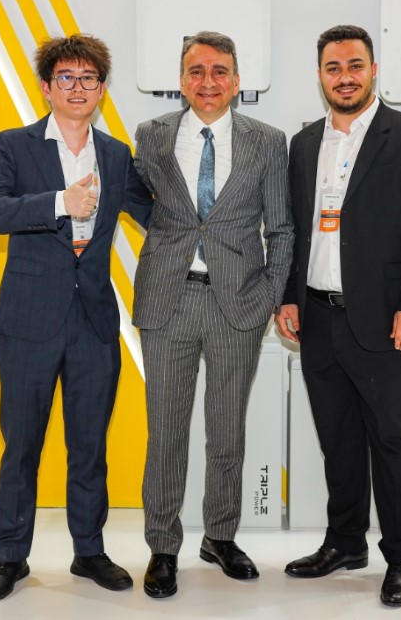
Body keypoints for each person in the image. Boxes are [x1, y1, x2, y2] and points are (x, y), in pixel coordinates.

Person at [275, 24, 401, 608]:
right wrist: (290, 296)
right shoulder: (304, 144)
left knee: (395, 442)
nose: (345, 77)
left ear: (373, 70)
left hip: (387, 320)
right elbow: (297, 230)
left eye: (355, 66)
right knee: (340, 441)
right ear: (320, 75)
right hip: (319, 318)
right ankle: (345, 542)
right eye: (334, 67)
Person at [0, 34, 153, 601]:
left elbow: (157, 214)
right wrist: (59, 202)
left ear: (101, 89)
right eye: (66, 78)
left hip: (94, 322)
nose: (78, 88)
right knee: (21, 446)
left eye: (89, 78)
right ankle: (10, 557)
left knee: (90, 447)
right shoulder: (12, 145)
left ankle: (89, 551)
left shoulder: (117, 155)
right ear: (46, 87)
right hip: (27, 320)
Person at [131, 31, 293, 598]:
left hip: (237, 304)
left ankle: (220, 536)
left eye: (219, 71)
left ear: (237, 81)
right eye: (196, 71)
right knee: (166, 432)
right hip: (167, 301)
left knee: (227, 431)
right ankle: (162, 546)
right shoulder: (151, 135)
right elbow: (143, 203)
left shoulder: (267, 141)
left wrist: (268, 296)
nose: (208, 82)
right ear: (181, 80)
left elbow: (281, 227)